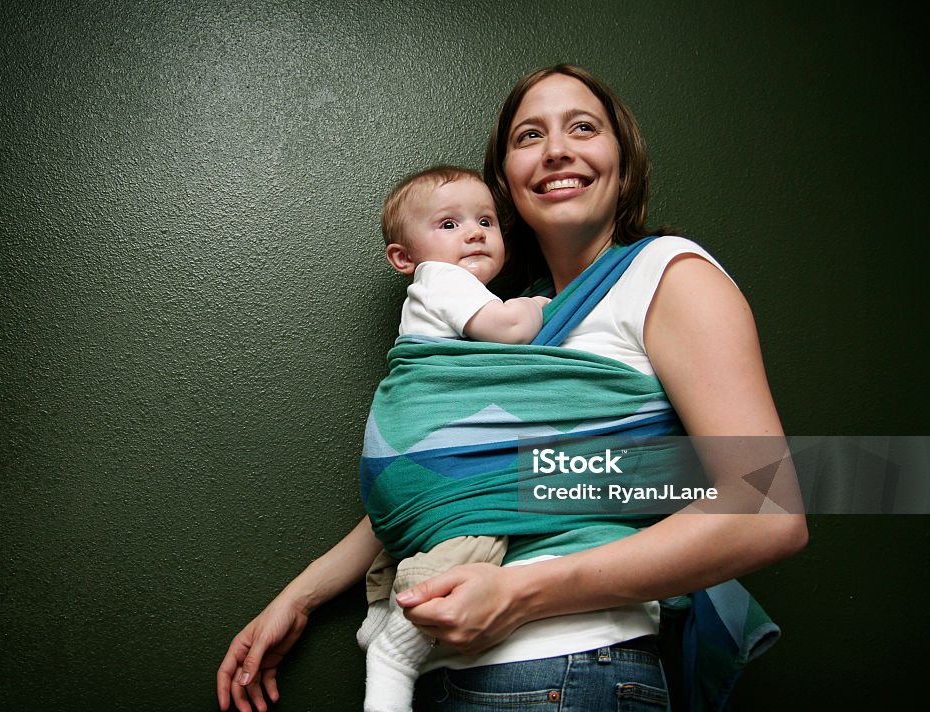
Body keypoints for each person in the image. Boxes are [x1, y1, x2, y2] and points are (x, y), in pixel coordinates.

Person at [217, 64, 808, 712]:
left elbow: (767, 507)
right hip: (440, 673)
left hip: (571, 667)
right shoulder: (514, 316)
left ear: (623, 159)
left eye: (583, 127)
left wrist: (519, 594)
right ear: (507, 182)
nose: (556, 148)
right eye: (530, 135)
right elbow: (453, 480)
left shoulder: (668, 276)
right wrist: (299, 596)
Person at [359, 164, 550, 712]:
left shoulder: (437, 293)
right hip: (426, 444)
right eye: (449, 224)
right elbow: (509, 332)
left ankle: (377, 612)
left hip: (396, 462)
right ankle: (396, 646)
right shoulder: (445, 281)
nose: (473, 232)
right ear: (404, 258)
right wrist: (534, 307)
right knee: (475, 531)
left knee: (412, 540)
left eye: (485, 220)